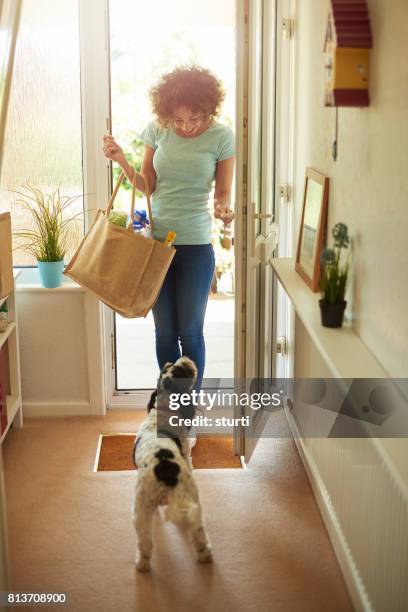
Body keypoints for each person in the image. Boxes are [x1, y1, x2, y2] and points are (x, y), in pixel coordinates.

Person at [103, 66, 235, 392]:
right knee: (164, 333)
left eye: (195, 119)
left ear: (209, 109)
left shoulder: (222, 137)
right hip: (156, 245)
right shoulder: (157, 131)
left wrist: (223, 211)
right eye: (178, 120)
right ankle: (171, 404)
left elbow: (222, 193)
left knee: (190, 331)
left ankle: (186, 412)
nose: (186, 127)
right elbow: (147, 185)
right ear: (167, 114)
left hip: (196, 246)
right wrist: (121, 159)